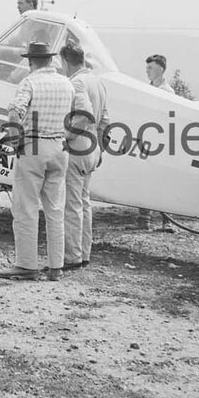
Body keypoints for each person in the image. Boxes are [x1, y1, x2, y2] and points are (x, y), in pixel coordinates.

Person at [0, 42, 89, 282]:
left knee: (26, 208)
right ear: (50, 60)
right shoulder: (67, 84)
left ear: (30, 61)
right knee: (56, 209)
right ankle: (56, 266)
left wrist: (16, 142)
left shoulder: (29, 82)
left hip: (33, 146)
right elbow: (82, 115)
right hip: (59, 146)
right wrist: (68, 137)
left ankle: (27, 265)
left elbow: (15, 112)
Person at [59, 42, 109, 270]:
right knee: (84, 202)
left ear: (66, 61)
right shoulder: (97, 81)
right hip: (92, 148)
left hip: (78, 147)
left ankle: (72, 256)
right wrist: (98, 147)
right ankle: (84, 253)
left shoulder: (76, 82)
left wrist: (66, 136)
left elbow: (85, 114)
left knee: (72, 205)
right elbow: (104, 119)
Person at [139, 54, 175, 230]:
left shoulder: (168, 93)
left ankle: (167, 221)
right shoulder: (148, 90)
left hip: (161, 141)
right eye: (147, 68)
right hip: (148, 139)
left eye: (150, 68)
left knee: (161, 180)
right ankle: (144, 219)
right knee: (145, 178)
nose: (147, 72)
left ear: (160, 69)